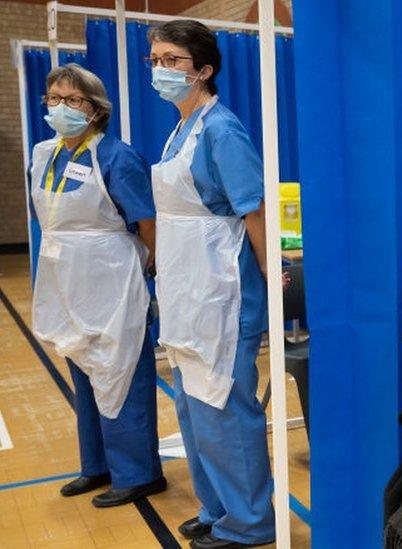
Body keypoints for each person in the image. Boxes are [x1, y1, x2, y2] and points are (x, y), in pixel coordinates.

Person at [147, 20, 273, 549]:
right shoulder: (182, 127)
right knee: (193, 404)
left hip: (222, 291)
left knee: (223, 405)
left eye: (172, 60)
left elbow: (254, 210)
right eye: (155, 59)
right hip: (184, 287)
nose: (161, 69)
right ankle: (218, 506)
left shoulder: (222, 129)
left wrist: (272, 279)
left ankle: (249, 522)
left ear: (204, 69)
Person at [29, 64, 164, 507]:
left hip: (111, 278)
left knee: (120, 373)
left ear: (96, 109)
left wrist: (151, 272)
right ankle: (98, 466)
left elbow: (147, 223)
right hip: (63, 279)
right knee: (83, 370)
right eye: (54, 98)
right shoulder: (43, 154)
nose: (61, 107)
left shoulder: (117, 157)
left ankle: (139, 473)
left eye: (73, 100)